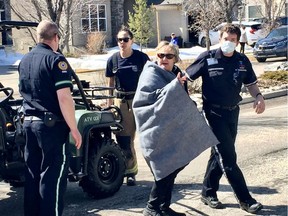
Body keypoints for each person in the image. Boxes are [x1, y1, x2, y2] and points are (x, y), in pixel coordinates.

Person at [186, 24, 265, 214]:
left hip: (232, 112)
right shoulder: (207, 57)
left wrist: (259, 97)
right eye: (225, 39)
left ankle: (207, 192)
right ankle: (246, 199)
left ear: (238, 42)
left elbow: (251, 84)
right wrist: (184, 101)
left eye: (233, 40)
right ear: (219, 39)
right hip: (213, 113)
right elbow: (184, 79)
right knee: (228, 157)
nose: (228, 43)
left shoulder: (242, 60)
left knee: (219, 154)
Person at [132, 41, 218, 216]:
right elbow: (146, 101)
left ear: (175, 59)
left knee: (175, 163)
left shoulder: (176, 74)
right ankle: (152, 207)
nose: (164, 59)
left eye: (169, 56)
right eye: (161, 55)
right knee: (165, 167)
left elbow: (181, 98)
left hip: (172, 129)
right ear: (156, 56)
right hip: (155, 131)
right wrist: (173, 88)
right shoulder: (150, 73)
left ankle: (163, 206)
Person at [18, 20, 82, 216]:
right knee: (51, 178)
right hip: (51, 128)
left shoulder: (25, 60)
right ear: (55, 38)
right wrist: (74, 128)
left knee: (33, 176)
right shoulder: (56, 60)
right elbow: (64, 98)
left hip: (28, 124)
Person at [105, 26, 150, 186]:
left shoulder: (141, 58)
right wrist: (109, 104)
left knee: (149, 138)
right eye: (119, 40)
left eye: (125, 39)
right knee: (125, 139)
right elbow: (110, 83)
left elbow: (151, 78)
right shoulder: (113, 60)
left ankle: (161, 171)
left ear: (132, 41)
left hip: (140, 101)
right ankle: (130, 172)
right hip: (122, 103)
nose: (122, 42)